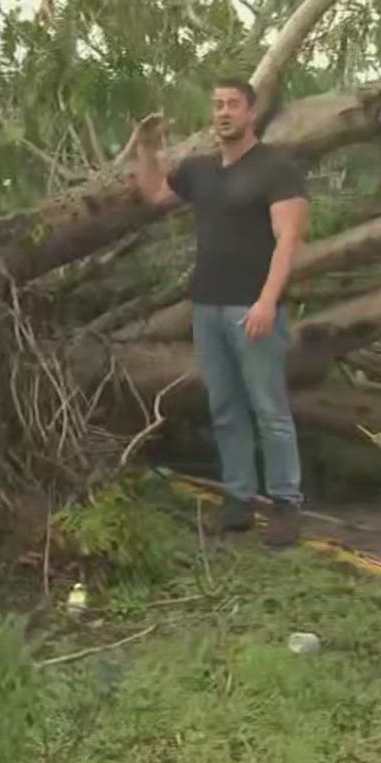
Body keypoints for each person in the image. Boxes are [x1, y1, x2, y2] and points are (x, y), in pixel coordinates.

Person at [130, 77, 309, 547]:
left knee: (269, 408)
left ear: (252, 114)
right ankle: (238, 501)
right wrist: (147, 147)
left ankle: (287, 505)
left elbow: (289, 240)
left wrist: (268, 301)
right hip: (207, 306)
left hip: (253, 308)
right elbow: (152, 195)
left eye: (232, 104)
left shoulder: (277, 170)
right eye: (217, 105)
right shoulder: (200, 170)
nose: (223, 112)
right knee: (225, 407)